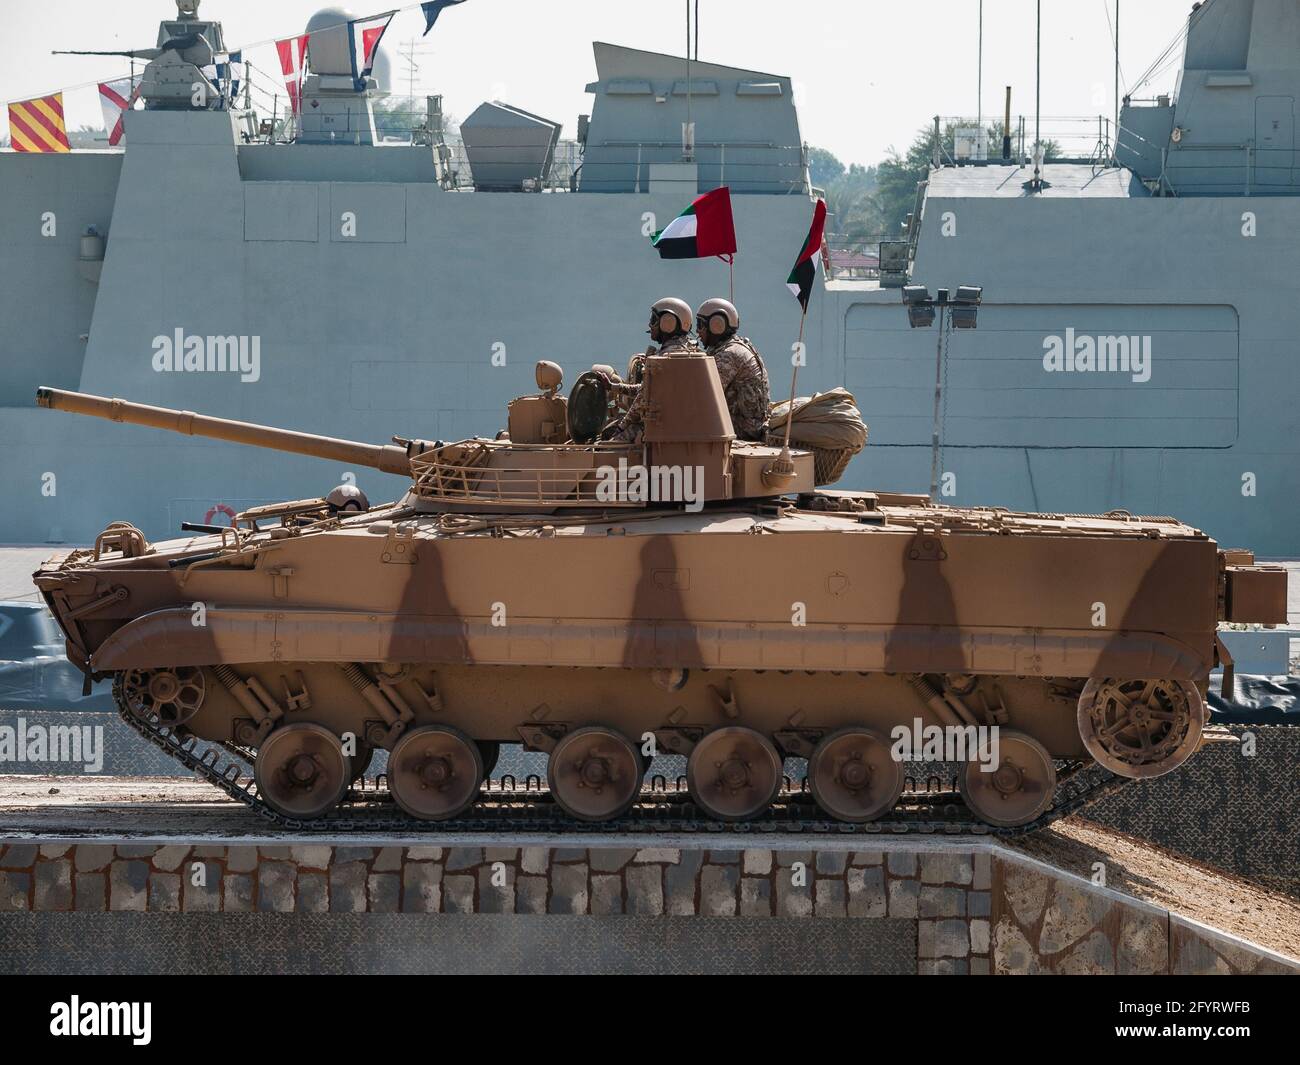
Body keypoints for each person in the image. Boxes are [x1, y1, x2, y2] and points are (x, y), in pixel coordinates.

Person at [611, 297, 702, 442]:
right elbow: (645, 388)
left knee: (608, 448)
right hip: (684, 426)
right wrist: (614, 387)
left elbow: (642, 399)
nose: (650, 325)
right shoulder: (693, 351)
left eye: (654, 320)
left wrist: (621, 428)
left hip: (662, 427)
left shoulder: (665, 359)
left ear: (668, 322)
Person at [695, 297, 770, 441]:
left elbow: (704, 395)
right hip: (749, 425)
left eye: (700, 325)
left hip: (743, 429)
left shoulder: (729, 354)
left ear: (716, 325)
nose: (698, 332)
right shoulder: (732, 347)